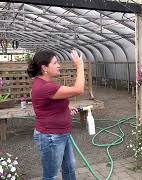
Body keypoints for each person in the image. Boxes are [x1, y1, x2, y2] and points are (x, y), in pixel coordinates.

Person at [27, 50, 84, 180]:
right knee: (51, 175)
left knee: (69, 168)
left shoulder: (46, 84)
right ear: (44, 68)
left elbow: (53, 100)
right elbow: (79, 89)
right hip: (51, 137)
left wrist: (66, 107)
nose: (59, 65)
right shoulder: (45, 87)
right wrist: (79, 66)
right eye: (55, 62)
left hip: (62, 133)